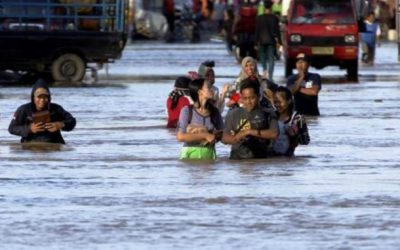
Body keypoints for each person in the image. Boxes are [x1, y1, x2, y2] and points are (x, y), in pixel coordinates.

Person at [222, 78, 278, 159]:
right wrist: (237, 138)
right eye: (245, 98)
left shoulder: (268, 113)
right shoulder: (233, 114)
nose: (248, 102)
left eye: (252, 98)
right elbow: (224, 138)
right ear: (241, 97)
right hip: (237, 160)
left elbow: (274, 133)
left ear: (259, 96)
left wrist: (249, 132)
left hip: (261, 159)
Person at [8, 79, 76, 144]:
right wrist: (29, 129)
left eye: (45, 97)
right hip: (30, 145)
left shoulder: (56, 109)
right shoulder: (24, 110)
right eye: (39, 97)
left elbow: (72, 121)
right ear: (33, 98)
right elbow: (12, 128)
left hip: (53, 145)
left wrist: (61, 124)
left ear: (49, 98)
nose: (42, 100)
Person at [176, 78, 224, 160]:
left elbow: (222, 134)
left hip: (209, 154)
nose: (212, 90)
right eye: (208, 87)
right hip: (189, 155)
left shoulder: (215, 111)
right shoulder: (187, 110)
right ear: (199, 92)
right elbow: (180, 137)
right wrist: (205, 135)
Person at [272, 86, 310, 156]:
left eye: (280, 102)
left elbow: (305, 141)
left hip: (288, 158)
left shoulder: (298, 117)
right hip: (271, 156)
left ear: (289, 101)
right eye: (275, 102)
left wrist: (294, 135)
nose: (277, 105)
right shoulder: (271, 115)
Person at [255, 0, 281, 80]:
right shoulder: (274, 18)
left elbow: (257, 31)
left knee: (263, 58)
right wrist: (280, 42)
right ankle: (270, 75)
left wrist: (255, 42)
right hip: (271, 41)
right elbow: (277, 31)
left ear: (264, 8)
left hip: (262, 41)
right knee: (271, 59)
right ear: (271, 7)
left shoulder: (259, 18)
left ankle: (264, 71)